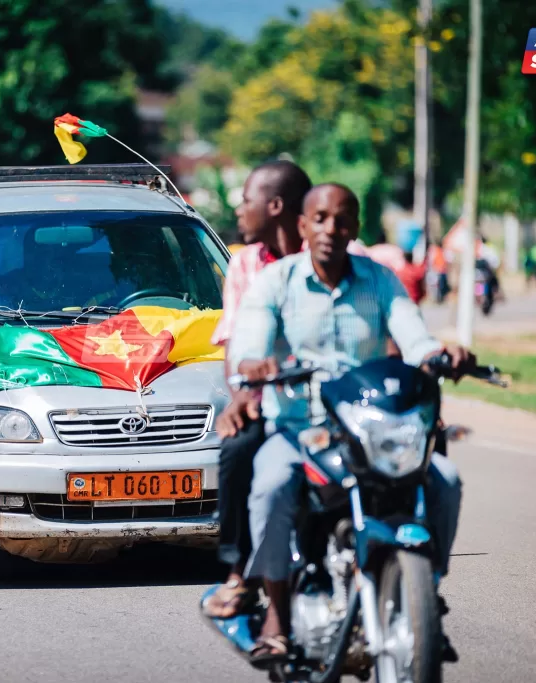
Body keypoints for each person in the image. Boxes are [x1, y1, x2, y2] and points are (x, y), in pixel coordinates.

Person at [229, 184, 472, 663]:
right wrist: (255, 364)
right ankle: (277, 611)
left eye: (342, 220)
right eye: (319, 219)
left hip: (369, 431)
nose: (330, 230)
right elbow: (248, 344)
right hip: (300, 429)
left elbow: (415, 338)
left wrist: (442, 354)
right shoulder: (276, 283)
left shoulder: (381, 282)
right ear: (302, 226)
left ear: (355, 228)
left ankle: (428, 593)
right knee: (272, 485)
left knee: (444, 480)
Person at [201, 160, 311, 619]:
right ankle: (238, 575)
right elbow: (235, 342)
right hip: (266, 400)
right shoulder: (245, 263)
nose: (239, 211)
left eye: (246, 201)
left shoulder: (334, 256)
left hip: (330, 401)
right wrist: (241, 398)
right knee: (235, 452)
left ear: (276, 205)